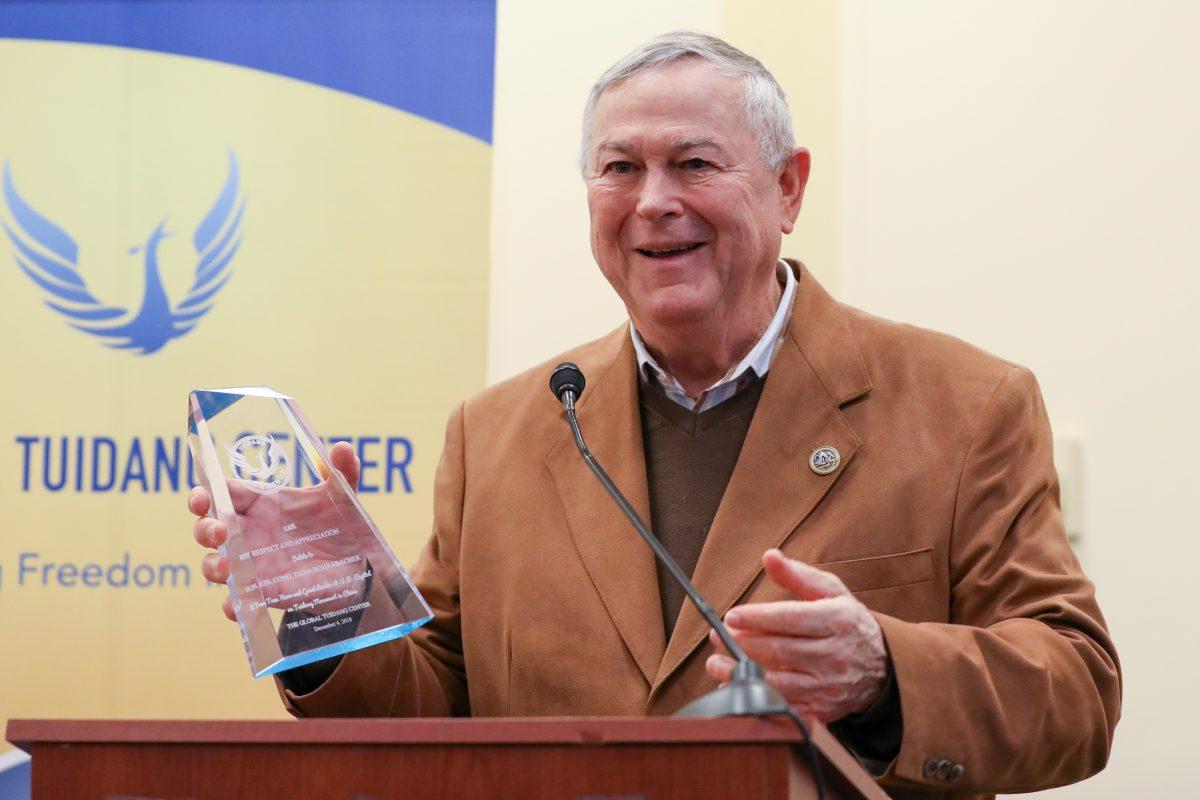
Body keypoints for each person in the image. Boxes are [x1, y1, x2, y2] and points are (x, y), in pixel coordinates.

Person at [188, 31, 1120, 798]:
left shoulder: (964, 404)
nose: (654, 202)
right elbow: (436, 707)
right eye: (619, 168)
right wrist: (325, 614)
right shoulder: (499, 431)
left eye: (695, 163)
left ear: (789, 187)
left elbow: (1077, 692)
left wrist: (882, 673)